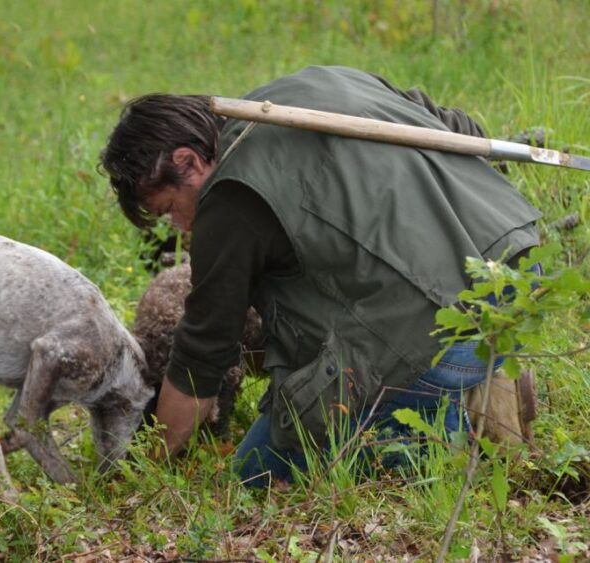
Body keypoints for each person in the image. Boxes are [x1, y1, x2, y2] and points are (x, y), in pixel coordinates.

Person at [100, 65, 541, 486]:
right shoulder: (325, 85)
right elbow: (459, 129)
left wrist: (154, 464)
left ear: (189, 161)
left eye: (169, 209)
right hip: (521, 278)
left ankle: (435, 428)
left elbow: (203, 353)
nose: (180, 226)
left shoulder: (228, 202)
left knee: (256, 473)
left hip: (444, 335)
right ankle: (472, 387)